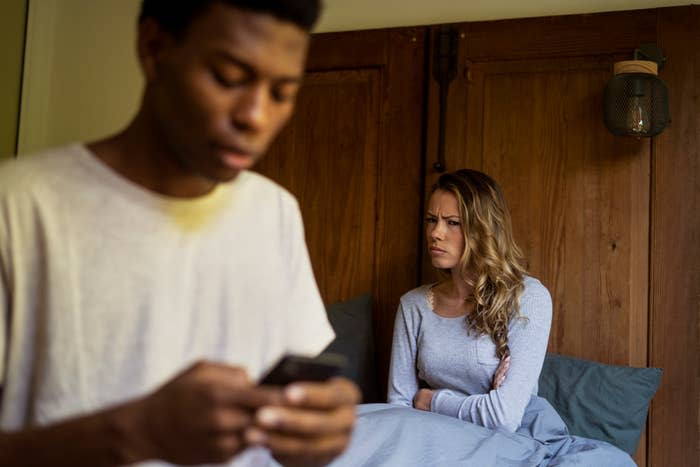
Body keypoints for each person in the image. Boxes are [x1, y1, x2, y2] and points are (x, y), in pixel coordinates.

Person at [0, 1, 359, 466]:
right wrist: (137, 433)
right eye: (229, 78)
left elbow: (300, 392)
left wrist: (321, 425)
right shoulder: (18, 207)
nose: (255, 115)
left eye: (282, 93)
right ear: (153, 49)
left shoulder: (275, 212)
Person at [387, 168, 550, 431]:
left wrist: (432, 399)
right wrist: (484, 400)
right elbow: (399, 409)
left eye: (452, 222)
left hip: (507, 448)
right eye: (431, 220)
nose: (435, 233)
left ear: (483, 228)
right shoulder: (413, 305)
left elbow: (503, 418)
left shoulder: (528, 298)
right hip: (429, 443)